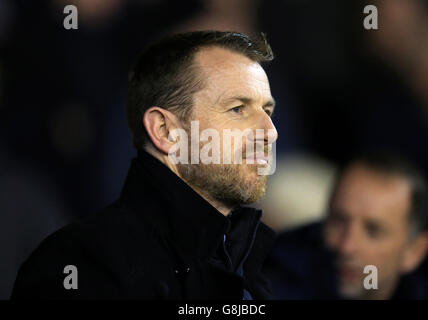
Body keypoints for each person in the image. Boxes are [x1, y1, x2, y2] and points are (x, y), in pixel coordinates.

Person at [11, 30, 278, 299]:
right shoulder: (81, 266)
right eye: (238, 109)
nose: (270, 131)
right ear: (164, 130)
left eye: (267, 111)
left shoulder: (252, 264)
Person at [266, 153, 428, 299]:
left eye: (373, 231)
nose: (347, 246)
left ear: (414, 251)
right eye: (337, 221)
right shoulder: (267, 279)